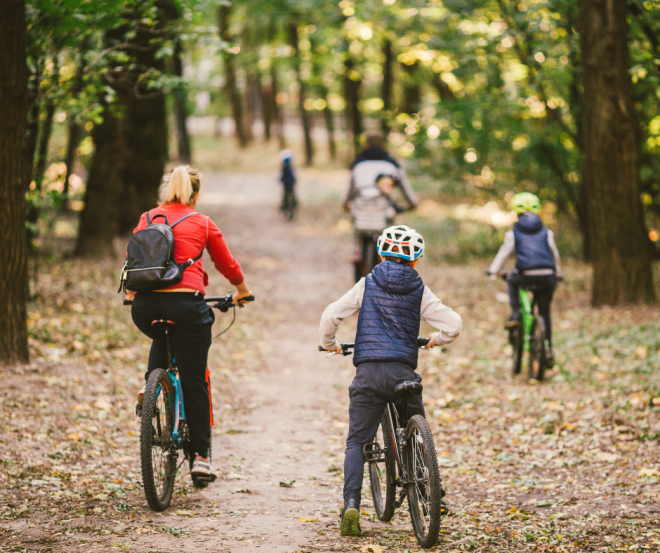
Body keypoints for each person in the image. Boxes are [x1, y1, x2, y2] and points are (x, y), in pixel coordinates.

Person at [318, 225, 462, 536]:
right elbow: (454, 324)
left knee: (357, 441)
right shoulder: (420, 289)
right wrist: (437, 338)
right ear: (416, 259)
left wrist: (330, 344)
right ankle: (430, 489)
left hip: (368, 373)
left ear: (382, 253)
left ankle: (352, 504)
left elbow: (331, 314)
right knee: (415, 425)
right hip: (402, 374)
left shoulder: (367, 284)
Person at [128, 165, 253, 478]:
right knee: (194, 379)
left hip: (144, 308)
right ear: (195, 195)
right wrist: (242, 291)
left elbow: (135, 261)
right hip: (187, 306)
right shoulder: (202, 221)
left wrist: (132, 294)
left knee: (162, 331)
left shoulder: (147, 218)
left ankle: (151, 385)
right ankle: (200, 457)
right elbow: (227, 264)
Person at [488, 192, 561, 364]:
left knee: (512, 281)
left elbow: (504, 254)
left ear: (516, 212)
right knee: (544, 312)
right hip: (548, 275)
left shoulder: (515, 232)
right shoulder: (546, 231)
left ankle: (515, 313)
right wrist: (557, 271)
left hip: (525, 275)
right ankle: (548, 349)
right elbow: (554, 254)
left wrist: (494, 272)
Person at [342, 132, 418, 282]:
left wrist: (345, 204)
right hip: (383, 215)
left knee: (358, 233)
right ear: (383, 146)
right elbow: (406, 189)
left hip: (361, 212)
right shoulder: (392, 164)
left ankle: (357, 255)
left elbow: (347, 192)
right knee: (390, 239)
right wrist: (412, 204)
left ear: (366, 145)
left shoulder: (357, 164)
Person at [279, 149, 297, 219]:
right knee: (290, 195)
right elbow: (293, 176)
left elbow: (282, 176)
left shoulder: (284, 167)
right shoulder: (290, 167)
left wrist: (281, 180)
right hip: (290, 184)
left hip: (287, 185)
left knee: (285, 197)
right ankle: (293, 205)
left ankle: (284, 207)